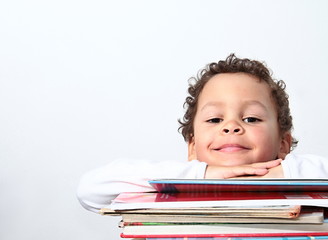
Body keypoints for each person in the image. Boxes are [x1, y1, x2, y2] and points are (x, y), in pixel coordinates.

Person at [77, 54, 328, 213]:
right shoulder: (178, 181)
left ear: (283, 144)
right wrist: (204, 175)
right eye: (214, 119)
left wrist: (276, 173)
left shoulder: (301, 178)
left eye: (251, 118)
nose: (230, 127)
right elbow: (90, 189)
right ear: (193, 147)